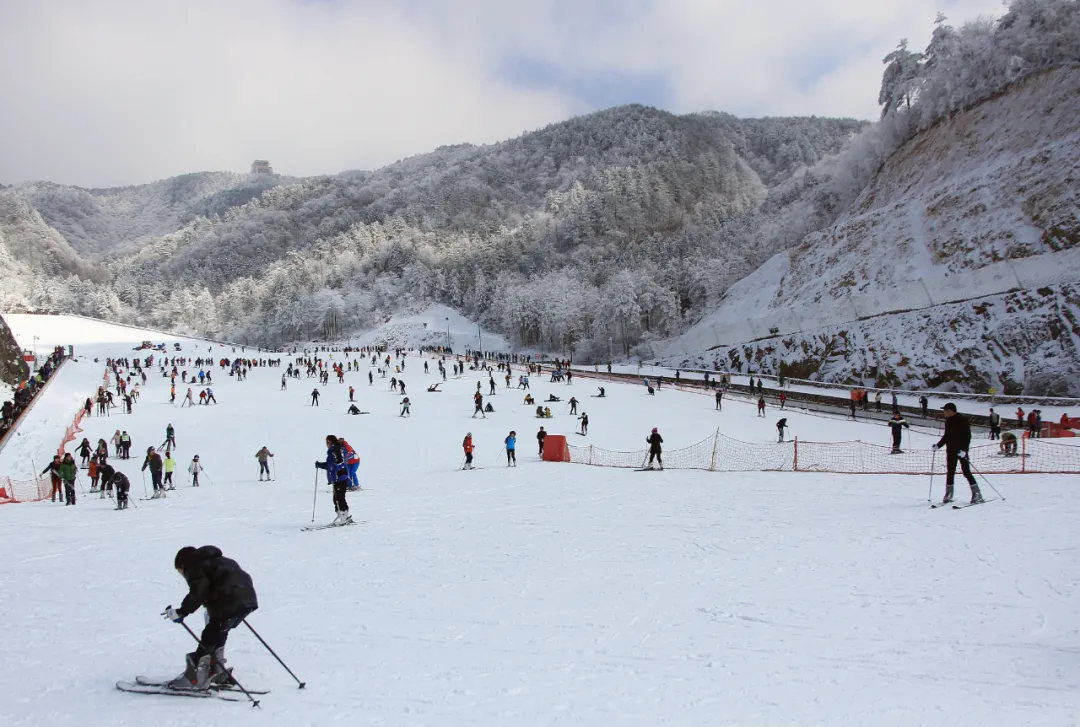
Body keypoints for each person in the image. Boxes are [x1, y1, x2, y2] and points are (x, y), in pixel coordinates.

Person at [163, 545, 259, 691]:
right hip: (248, 600)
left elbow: (198, 593)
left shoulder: (195, 566)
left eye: (180, 571)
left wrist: (182, 612)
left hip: (229, 601)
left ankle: (195, 677)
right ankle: (218, 671)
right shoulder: (220, 561)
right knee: (219, 632)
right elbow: (219, 584)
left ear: (183, 564)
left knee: (210, 634)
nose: (182, 575)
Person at [932, 403, 983, 505]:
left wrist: (964, 450)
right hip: (950, 450)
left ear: (950, 411)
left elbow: (967, 436)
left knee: (966, 471)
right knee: (950, 471)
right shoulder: (948, 421)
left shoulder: (962, 419)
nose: (944, 413)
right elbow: (947, 436)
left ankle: (977, 493)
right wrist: (938, 445)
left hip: (961, 451)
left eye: (945, 411)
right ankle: (949, 494)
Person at [315, 435, 354, 525]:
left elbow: (331, 466)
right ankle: (344, 515)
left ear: (329, 442)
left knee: (339, 498)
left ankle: (344, 517)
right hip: (343, 477)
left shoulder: (333, 451)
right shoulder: (340, 449)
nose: (326, 444)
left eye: (326, 442)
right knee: (338, 498)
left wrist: (319, 465)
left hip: (339, 478)